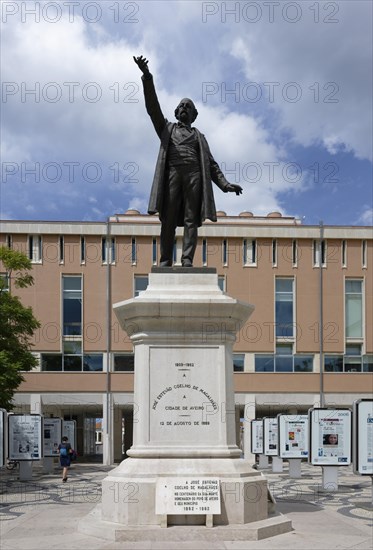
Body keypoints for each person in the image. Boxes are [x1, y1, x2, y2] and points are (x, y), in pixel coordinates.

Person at [134, 55, 243, 267]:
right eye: (181, 105)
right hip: (173, 173)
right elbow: (152, 108)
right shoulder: (167, 129)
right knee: (168, 218)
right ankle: (165, 260)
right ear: (176, 112)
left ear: (194, 114)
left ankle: (186, 261)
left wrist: (225, 185)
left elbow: (211, 165)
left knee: (192, 219)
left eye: (188, 106)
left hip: (194, 175)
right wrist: (147, 77)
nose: (184, 107)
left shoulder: (200, 138)